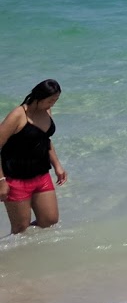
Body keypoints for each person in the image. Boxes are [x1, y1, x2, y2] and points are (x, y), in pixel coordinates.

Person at [2, 79, 67, 234]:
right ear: (39, 97)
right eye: (50, 100)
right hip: (16, 179)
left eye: (56, 100)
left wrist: (57, 165)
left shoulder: (46, 111)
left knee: (50, 220)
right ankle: (9, 253)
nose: (53, 104)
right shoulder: (18, 115)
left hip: (41, 175)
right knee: (20, 228)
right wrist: (1, 181)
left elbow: (44, 140)